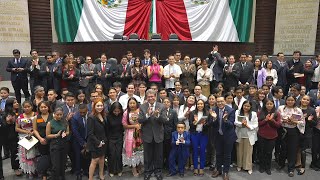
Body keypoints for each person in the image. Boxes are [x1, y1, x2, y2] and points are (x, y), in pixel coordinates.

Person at [138, 89, 166, 180]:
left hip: (158, 135)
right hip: (147, 135)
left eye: (152, 96)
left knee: (158, 155)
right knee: (147, 155)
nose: (151, 98)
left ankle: (158, 172)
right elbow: (140, 120)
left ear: (155, 96)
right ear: (147, 97)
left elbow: (165, 120)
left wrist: (158, 116)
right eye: (149, 96)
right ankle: (147, 172)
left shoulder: (161, 106)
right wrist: (147, 115)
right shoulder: (142, 107)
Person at [277, 96, 305, 177]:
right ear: (286, 101)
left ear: (294, 101)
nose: (290, 102)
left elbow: (302, 122)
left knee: (292, 150)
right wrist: (284, 121)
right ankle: (281, 164)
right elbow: (277, 119)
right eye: (288, 100)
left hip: (293, 131)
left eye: (292, 100)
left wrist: (295, 122)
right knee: (283, 148)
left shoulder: (298, 110)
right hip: (283, 130)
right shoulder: (281, 108)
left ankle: (291, 169)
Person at [210, 96, 237, 180]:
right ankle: (218, 170)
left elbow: (231, 125)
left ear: (225, 101)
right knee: (218, 154)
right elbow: (212, 124)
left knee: (227, 155)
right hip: (218, 136)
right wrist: (214, 119)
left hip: (228, 136)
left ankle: (225, 172)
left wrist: (225, 120)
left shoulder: (231, 110)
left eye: (221, 101)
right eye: (218, 102)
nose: (220, 103)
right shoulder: (214, 110)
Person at [234, 101, 258, 175]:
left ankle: (248, 167)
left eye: (248, 106)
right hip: (240, 134)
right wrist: (242, 124)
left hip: (249, 135)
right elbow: (235, 122)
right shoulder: (237, 112)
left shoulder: (253, 114)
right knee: (239, 151)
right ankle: (239, 165)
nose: (246, 107)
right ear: (242, 105)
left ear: (250, 107)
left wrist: (247, 126)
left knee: (248, 152)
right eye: (245, 106)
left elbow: (255, 124)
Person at [258, 99, 281, 175]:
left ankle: (268, 167)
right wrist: (265, 120)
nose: (269, 105)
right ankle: (261, 166)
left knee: (269, 152)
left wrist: (272, 120)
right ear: (265, 105)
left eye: (271, 104)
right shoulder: (260, 112)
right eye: (267, 104)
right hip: (262, 135)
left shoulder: (277, 113)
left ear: (273, 105)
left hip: (272, 136)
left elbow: (278, 125)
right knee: (261, 152)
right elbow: (258, 124)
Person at [46, 107, 70, 180]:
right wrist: (56, 135)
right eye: (57, 114)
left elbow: (68, 131)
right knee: (56, 165)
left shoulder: (65, 121)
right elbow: (47, 135)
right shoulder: (50, 123)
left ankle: (62, 177)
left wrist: (65, 133)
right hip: (55, 145)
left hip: (64, 144)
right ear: (54, 114)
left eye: (61, 114)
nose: (59, 116)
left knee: (63, 164)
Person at [122, 98, 143, 177]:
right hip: (130, 135)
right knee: (132, 152)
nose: (132, 105)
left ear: (136, 103)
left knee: (140, 151)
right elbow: (124, 125)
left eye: (133, 103)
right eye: (130, 103)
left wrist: (140, 126)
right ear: (128, 104)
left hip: (140, 134)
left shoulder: (140, 111)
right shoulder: (126, 113)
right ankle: (133, 169)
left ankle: (140, 167)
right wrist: (134, 126)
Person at [15, 101, 37, 178]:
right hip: (23, 137)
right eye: (25, 107)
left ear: (32, 107)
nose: (27, 108)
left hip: (35, 136)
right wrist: (26, 131)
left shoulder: (36, 115)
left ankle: (36, 170)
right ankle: (29, 171)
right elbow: (17, 128)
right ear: (23, 108)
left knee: (35, 154)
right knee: (26, 155)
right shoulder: (20, 117)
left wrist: (33, 132)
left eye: (28, 106)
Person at [87, 98, 108, 180]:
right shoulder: (91, 117)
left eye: (101, 105)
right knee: (95, 160)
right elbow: (90, 133)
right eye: (98, 105)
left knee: (102, 158)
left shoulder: (103, 115)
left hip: (103, 141)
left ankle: (101, 175)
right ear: (94, 106)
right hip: (94, 142)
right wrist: (98, 142)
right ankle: (90, 178)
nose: (100, 107)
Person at [189, 99, 210, 176]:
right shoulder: (192, 113)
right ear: (196, 105)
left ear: (204, 105)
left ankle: (201, 168)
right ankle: (195, 167)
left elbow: (209, 125)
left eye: (201, 104)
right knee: (194, 150)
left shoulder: (207, 113)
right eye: (198, 104)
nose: (200, 105)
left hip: (203, 134)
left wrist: (204, 124)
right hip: (194, 134)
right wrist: (195, 122)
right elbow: (190, 124)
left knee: (202, 150)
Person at [297, 95, 317, 175]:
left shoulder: (312, 110)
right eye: (304, 99)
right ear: (301, 100)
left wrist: (309, 120)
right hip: (296, 131)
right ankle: (296, 163)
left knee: (303, 150)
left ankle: (302, 167)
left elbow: (315, 123)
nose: (305, 101)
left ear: (309, 102)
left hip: (306, 133)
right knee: (295, 149)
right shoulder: (296, 108)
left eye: (307, 100)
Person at [33, 101, 52, 180]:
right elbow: (34, 130)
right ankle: (44, 174)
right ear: (39, 108)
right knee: (44, 157)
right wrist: (40, 138)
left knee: (52, 156)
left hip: (51, 140)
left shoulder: (53, 116)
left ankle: (52, 172)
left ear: (48, 107)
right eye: (42, 107)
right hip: (41, 141)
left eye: (45, 107)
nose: (44, 108)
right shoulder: (36, 117)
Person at [2, 99, 21, 177]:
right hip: (11, 136)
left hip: (20, 133)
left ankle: (22, 165)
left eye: (17, 102)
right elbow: (3, 127)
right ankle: (15, 168)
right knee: (14, 152)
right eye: (15, 103)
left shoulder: (19, 111)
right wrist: (8, 122)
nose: (17, 104)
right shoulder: (6, 114)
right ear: (10, 105)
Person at [71, 104, 90, 180]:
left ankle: (86, 171)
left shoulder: (90, 116)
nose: (82, 114)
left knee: (87, 156)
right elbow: (75, 132)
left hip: (88, 139)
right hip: (77, 141)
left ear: (87, 110)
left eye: (84, 112)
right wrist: (82, 143)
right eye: (80, 112)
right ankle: (78, 173)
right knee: (78, 157)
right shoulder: (75, 117)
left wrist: (88, 142)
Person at [106, 102, 124, 177]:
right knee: (112, 154)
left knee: (118, 154)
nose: (116, 113)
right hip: (111, 138)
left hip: (119, 137)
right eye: (115, 111)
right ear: (112, 110)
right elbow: (107, 129)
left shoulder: (122, 115)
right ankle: (111, 170)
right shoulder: (108, 117)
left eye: (118, 111)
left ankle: (119, 169)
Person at [162, 98, 178, 170]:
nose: (166, 103)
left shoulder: (173, 112)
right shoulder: (160, 112)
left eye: (167, 102)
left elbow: (175, 124)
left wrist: (174, 135)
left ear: (170, 103)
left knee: (169, 151)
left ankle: (169, 165)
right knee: (162, 151)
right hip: (161, 135)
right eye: (164, 102)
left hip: (170, 134)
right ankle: (162, 165)